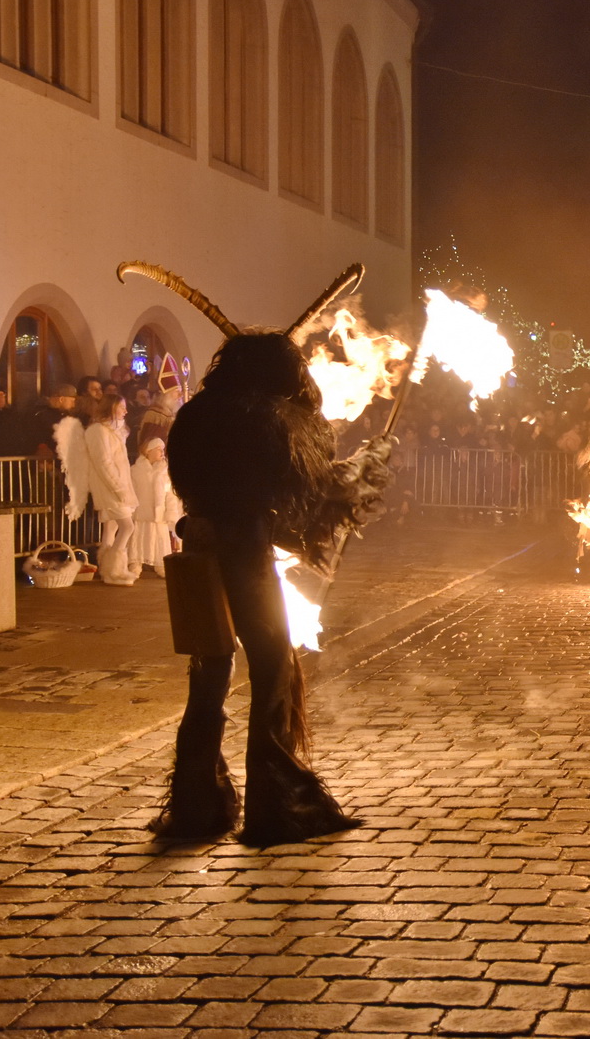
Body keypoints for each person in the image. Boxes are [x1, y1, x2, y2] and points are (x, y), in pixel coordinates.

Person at [160, 330, 393, 846]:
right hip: (244, 554)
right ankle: (276, 806)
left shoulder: (196, 415)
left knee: (210, 671)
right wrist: (367, 466)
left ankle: (197, 804)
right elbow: (313, 489)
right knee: (272, 667)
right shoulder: (271, 418)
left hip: (198, 551)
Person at [84, 394, 139, 585]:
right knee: (127, 526)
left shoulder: (115, 431)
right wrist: (118, 488)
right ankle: (114, 569)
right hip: (109, 487)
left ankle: (108, 569)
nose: (125, 410)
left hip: (118, 485)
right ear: (111, 408)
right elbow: (103, 463)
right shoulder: (98, 431)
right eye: (121, 407)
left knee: (112, 527)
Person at [130, 436, 183, 577]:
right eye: (159, 449)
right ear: (148, 451)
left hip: (159, 514)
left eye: (163, 449)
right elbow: (132, 490)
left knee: (159, 540)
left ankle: (161, 566)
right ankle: (135, 565)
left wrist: (171, 513)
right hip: (141, 512)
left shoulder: (164, 472)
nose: (162, 452)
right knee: (139, 539)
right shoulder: (136, 470)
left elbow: (170, 494)